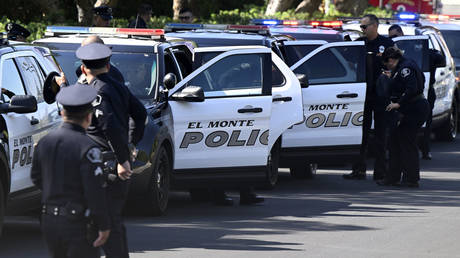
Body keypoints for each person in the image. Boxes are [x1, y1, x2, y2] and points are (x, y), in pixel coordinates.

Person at [76, 42, 147, 258]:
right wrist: (132, 143)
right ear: (108, 65)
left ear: (83, 68)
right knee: (108, 223)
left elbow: (108, 126)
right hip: (111, 165)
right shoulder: (118, 86)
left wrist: (122, 159)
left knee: (101, 224)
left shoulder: (97, 92)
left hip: (104, 167)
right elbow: (141, 114)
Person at [31, 83, 111, 258]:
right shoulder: (88, 148)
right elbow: (95, 191)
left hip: (49, 220)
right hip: (78, 222)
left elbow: (36, 178)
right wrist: (104, 225)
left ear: (62, 114)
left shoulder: (44, 142)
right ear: (89, 117)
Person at [343, 14, 394, 180]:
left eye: (364, 27)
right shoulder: (359, 44)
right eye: (361, 27)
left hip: (381, 95)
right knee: (360, 133)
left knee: (381, 134)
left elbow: (397, 65)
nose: (362, 30)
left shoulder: (387, 44)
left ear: (374, 26)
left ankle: (381, 172)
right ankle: (359, 169)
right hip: (362, 95)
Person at [388, 24, 446, 160]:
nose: (393, 40)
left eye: (395, 36)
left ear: (401, 34)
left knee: (426, 122)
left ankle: (425, 149)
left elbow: (439, 59)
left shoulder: (415, 47)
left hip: (422, 92)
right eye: (390, 37)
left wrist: (429, 54)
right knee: (404, 130)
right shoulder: (393, 53)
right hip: (405, 96)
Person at [377, 46, 429, 187]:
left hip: (414, 109)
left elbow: (412, 88)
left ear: (392, 60)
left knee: (407, 143)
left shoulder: (406, 68)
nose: (387, 66)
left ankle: (411, 179)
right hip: (411, 109)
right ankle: (393, 177)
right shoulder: (405, 65)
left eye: (387, 63)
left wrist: (398, 104)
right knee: (395, 142)